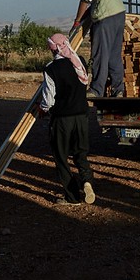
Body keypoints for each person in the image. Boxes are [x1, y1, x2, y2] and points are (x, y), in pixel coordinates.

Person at [38, 33, 95, 205]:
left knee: (61, 156)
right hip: (81, 115)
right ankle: (86, 181)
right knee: (81, 153)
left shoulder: (51, 69)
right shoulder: (80, 62)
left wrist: (43, 109)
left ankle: (72, 196)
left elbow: (49, 98)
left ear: (52, 49)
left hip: (62, 118)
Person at [71, 0, 126, 98]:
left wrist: (77, 21)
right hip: (119, 14)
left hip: (105, 17)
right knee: (114, 55)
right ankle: (118, 89)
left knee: (100, 54)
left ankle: (96, 90)